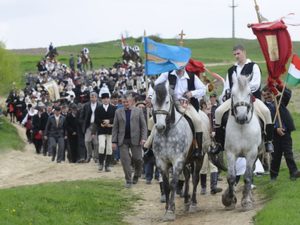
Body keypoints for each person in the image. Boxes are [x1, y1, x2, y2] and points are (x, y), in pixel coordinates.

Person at [211, 44, 274, 154]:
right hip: (234, 99)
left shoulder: (253, 66)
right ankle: (219, 143)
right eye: (234, 54)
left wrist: (243, 90)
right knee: (218, 111)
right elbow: (227, 86)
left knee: (266, 112)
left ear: (244, 52)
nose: (236, 56)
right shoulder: (231, 70)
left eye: (238, 53)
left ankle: (268, 141)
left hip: (251, 98)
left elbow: (256, 83)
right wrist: (226, 94)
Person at [145, 67, 206, 156]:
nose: (178, 66)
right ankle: (150, 148)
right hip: (170, 105)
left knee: (197, 120)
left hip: (186, 104)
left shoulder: (192, 77)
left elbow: (203, 89)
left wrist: (192, 93)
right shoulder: (167, 74)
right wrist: (150, 96)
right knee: (151, 121)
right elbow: (154, 85)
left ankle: (198, 148)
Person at [262, 85, 300, 181]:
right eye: (265, 95)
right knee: (276, 156)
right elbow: (265, 124)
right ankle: (273, 176)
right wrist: (276, 129)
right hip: (274, 135)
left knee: (288, 153)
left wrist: (277, 85)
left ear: (272, 93)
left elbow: (287, 93)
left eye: (269, 94)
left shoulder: (279, 101)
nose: (267, 97)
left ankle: (294, 172)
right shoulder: (263, 108)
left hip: (286, 132)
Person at [112, 93, 147, 188]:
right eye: (124, 102)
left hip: (136, 139)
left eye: (127, 101)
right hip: (122, 140)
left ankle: (137, 174)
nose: (125, 103)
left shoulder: (138, 111)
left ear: (131, 101)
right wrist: (114, 141)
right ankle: (128, 180)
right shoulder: (118, 112)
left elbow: (143, 126)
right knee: (125, 160)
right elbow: (115, 127)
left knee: (138, 159)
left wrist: (144, 138)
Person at [94, 91, 116, 172]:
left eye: (107, 98)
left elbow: (115, 118)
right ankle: (100, 163)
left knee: (109, 148)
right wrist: (101, 123)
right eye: (104, 99)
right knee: (102, 146)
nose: (106, 100)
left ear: (109, 99)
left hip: (110, 129)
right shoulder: (98, 108)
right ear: (102, 100)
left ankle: (107, 165)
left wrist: (109, 121)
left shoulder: (113, 108)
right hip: (101, 129)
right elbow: (96, 119)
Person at [80, 92, 100, 163]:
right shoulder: (86, 105)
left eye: (94, 97)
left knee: (96, 143)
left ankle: (96, 157)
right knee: (87, 141)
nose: (92, 98)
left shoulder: (100, 105)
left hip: (97, 126)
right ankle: (89, 156)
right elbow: (81, 116)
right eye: (91, 97)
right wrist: (83, 122)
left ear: (96, 97)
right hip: (88, 125)